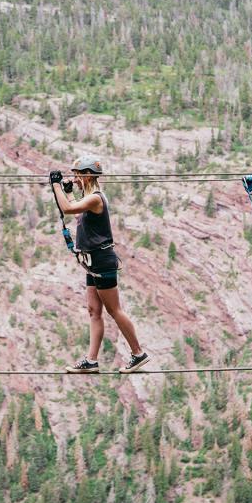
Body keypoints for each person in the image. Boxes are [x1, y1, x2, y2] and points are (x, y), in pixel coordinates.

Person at [50, 156, 149, 374]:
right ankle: (91, 361)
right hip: (92, 262)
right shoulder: (88, 198)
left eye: (77, 175)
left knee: (114, 310)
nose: (75, 179)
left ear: (87, 175)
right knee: (94, 310)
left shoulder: (96, 198)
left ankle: (138, 353)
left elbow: (67, 209)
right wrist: (67, 192)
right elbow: (76, 213)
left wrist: (56, 185)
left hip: (102, 261)